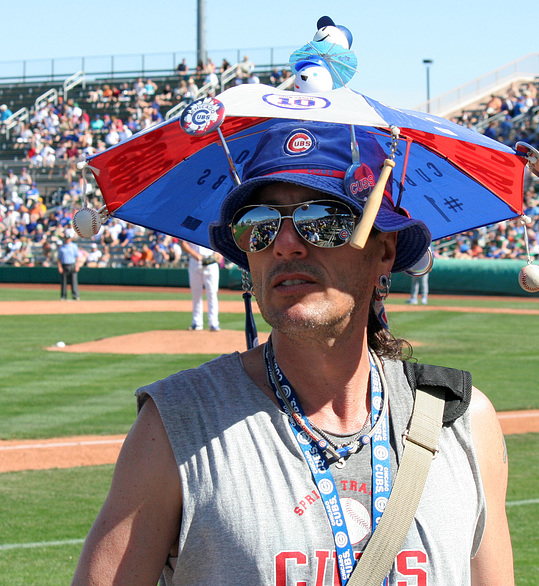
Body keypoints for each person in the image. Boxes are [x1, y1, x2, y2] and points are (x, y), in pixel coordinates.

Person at [72, 121, 514, 585]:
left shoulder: (462, 420)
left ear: (384, 251)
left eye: (322, 219)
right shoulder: (176, 426)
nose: (284, 244)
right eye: (258, 225)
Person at [180, 240, 223, 331]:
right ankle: (197, 322)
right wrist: (195, 255)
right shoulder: (191, 226)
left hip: (211, 262)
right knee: (196, 293)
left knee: (212, 294)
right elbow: (183, 243)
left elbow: (221, 242)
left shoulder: (211, 225)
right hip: (195, 261)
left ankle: (214, 323)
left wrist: (218, 254)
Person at [57, 229, 81, 300]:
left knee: (74, 282)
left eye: (68, 238)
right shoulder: (61, 248)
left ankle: (75, 296)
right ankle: (63, 296)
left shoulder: (74, 246)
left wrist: (77, 266)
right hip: (64, 265)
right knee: (64, 282)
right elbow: (59, 259)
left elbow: (77, 257)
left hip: (72, 265)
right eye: (66, 238)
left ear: (70, 239)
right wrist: (59, 267)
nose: (67, 240)